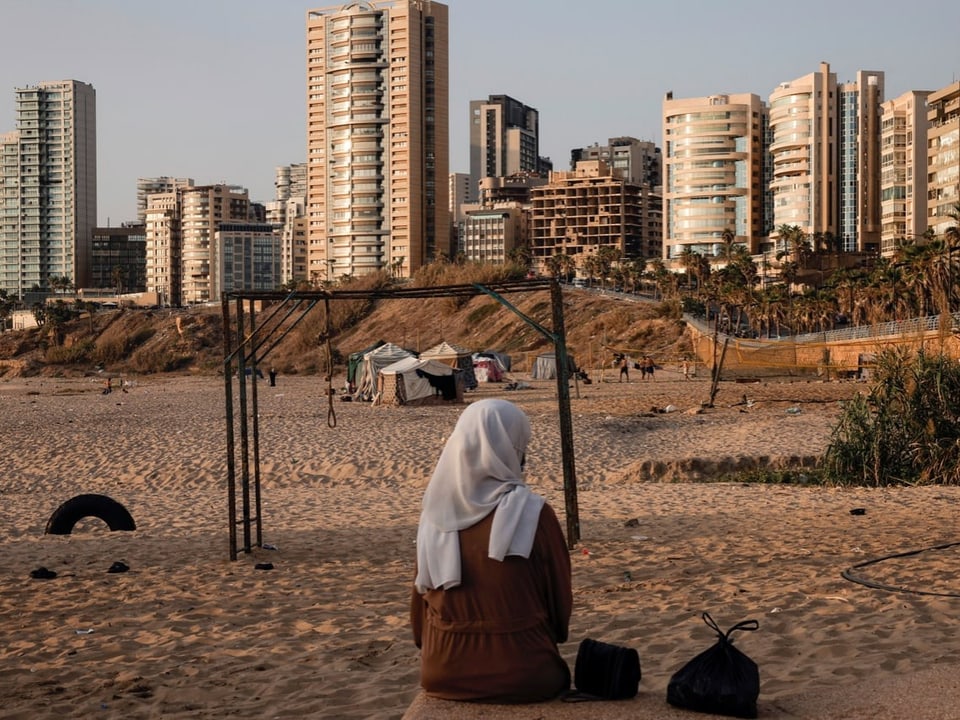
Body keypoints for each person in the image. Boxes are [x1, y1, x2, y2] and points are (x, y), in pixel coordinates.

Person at [411, 399, 572, 703]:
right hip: (527, 673)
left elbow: (418, 619)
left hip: (442, 671)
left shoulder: (433, 516)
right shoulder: (535, 514)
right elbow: (559, 606)